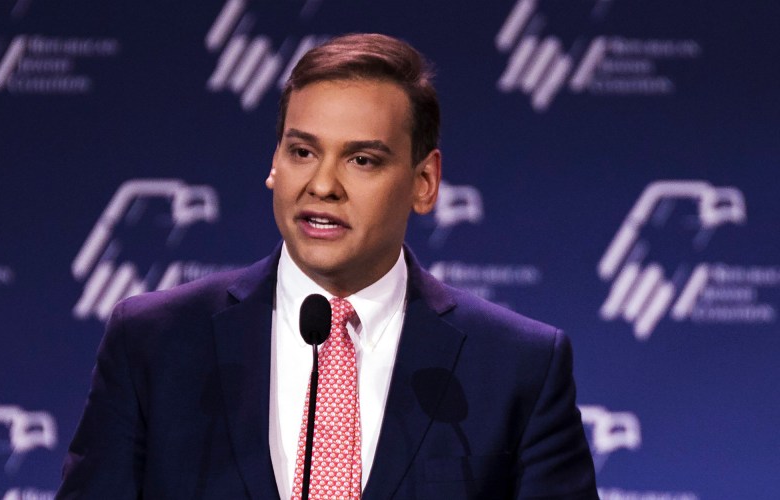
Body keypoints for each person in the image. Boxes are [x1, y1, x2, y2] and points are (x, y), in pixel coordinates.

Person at [57, 33, 598, 499]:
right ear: (274, 163)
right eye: (302, 152)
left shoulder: (518, 367)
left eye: (362, 159)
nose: (321, 185)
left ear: (424, 182)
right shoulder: (154, 343)